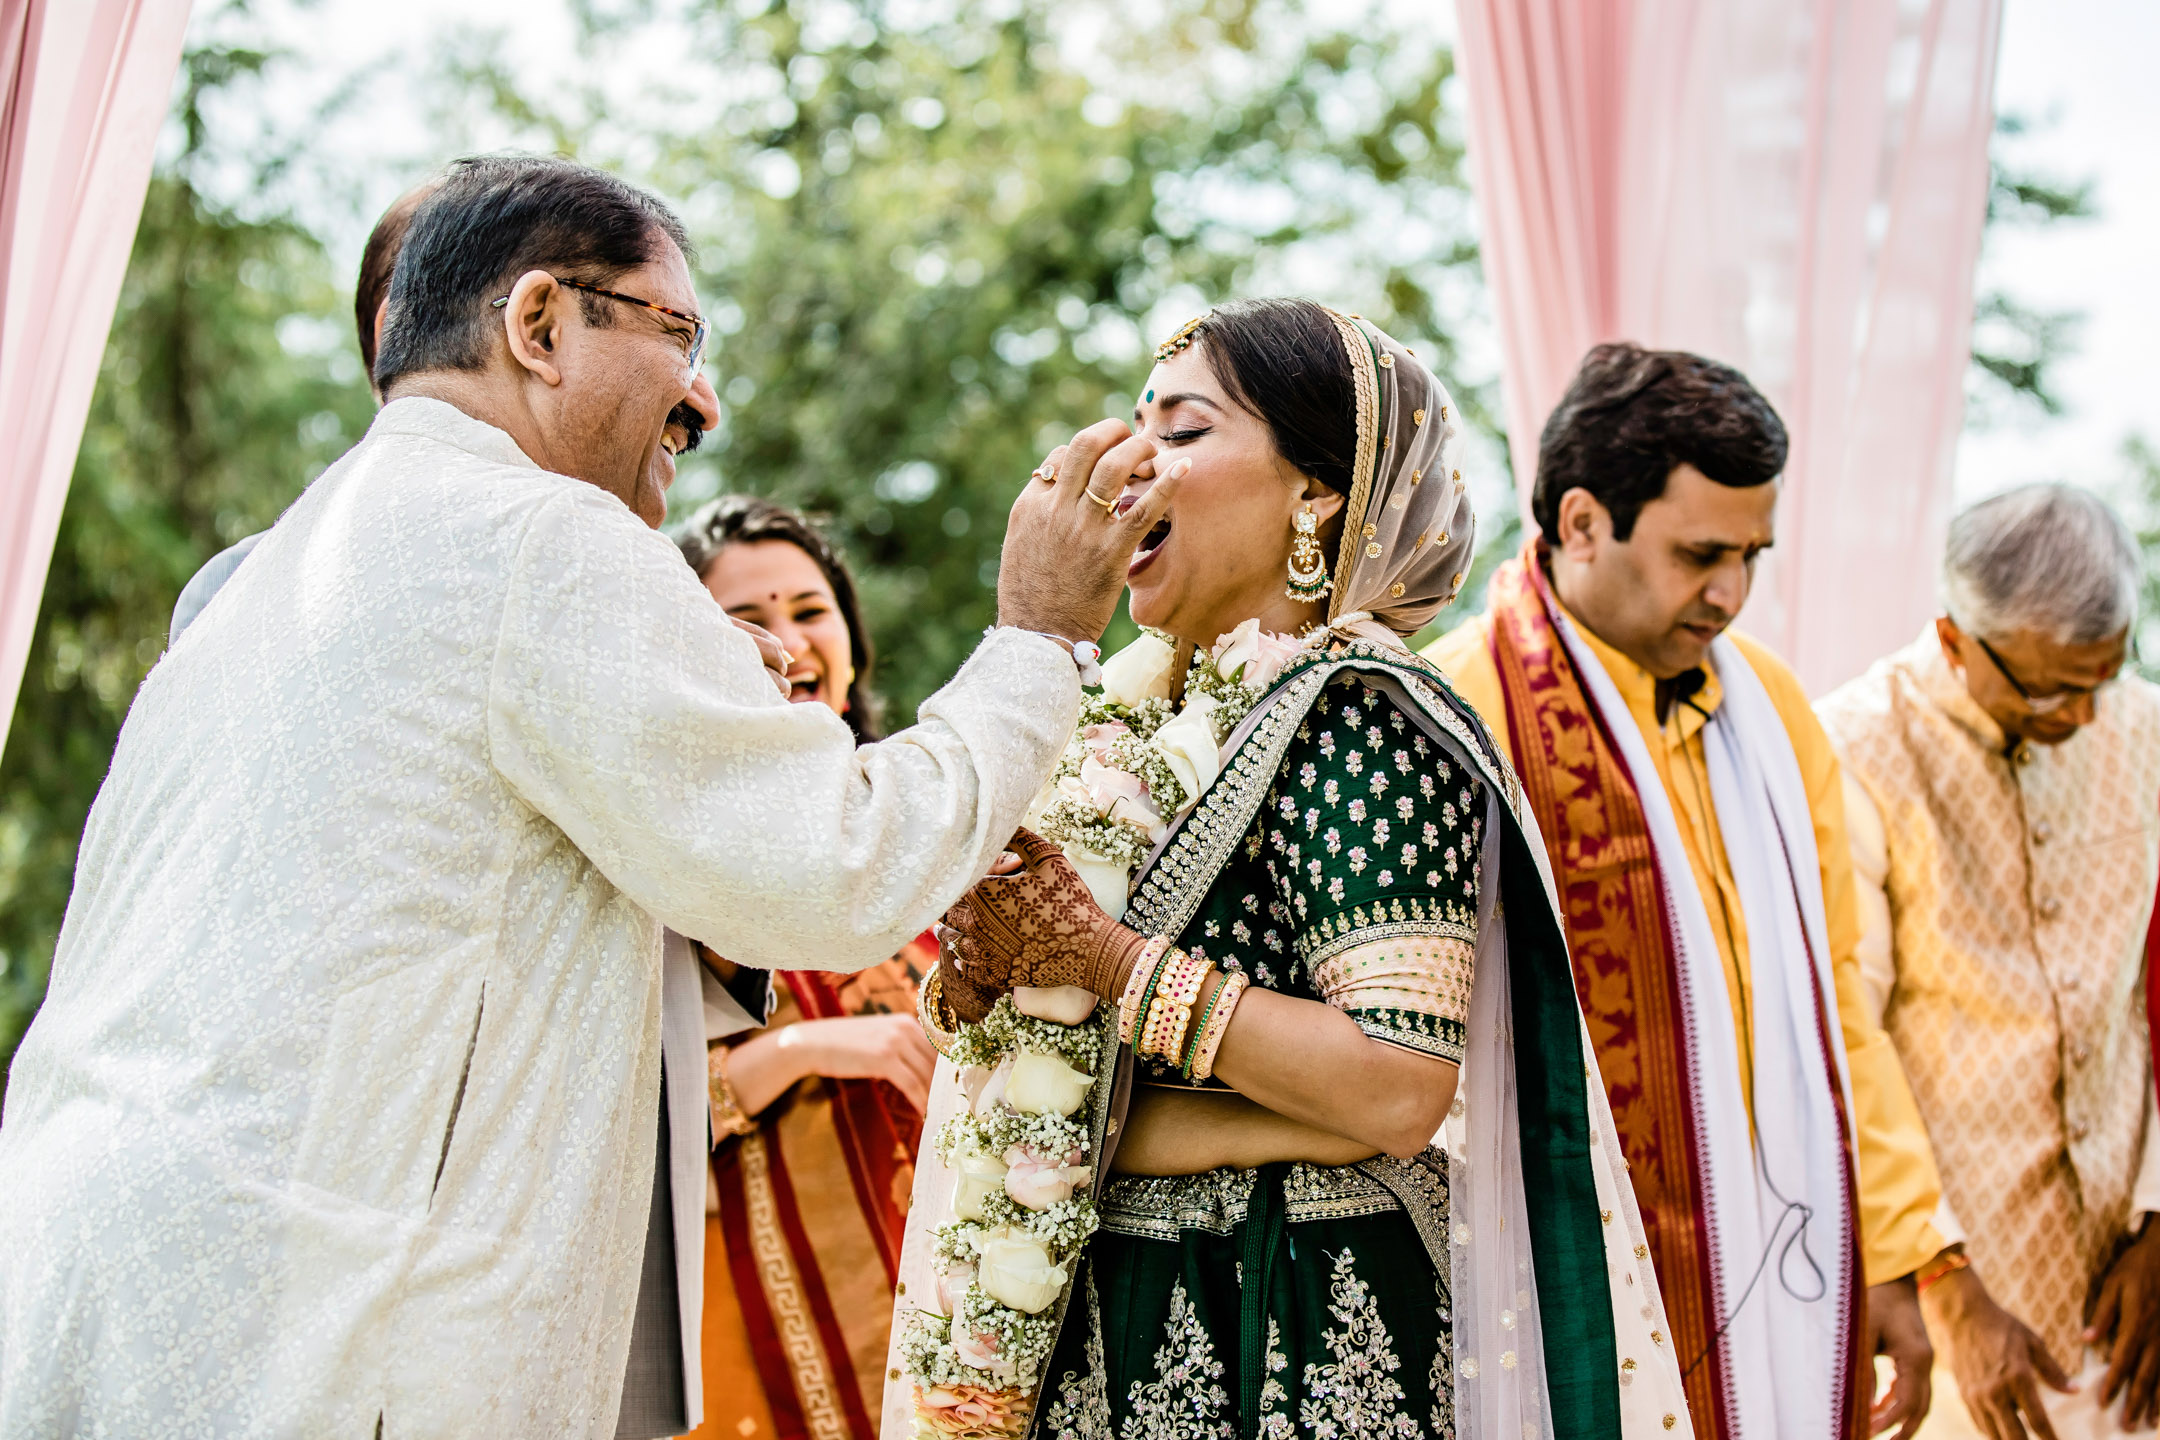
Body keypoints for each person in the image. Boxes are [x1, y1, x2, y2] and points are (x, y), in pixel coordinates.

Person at [0, 153, 1186, 1437]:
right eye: (679, 334)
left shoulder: (282, 568)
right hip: (312, 1340)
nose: (705, 400)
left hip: (96, 1284)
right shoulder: (540, 539)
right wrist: (1040, 638)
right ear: (540, 324)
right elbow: (834, 866)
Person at [909, 300, 1692, 1440]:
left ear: (1317, 491)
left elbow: (1395, 1088)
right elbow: (1043, 1067)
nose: (1129, 461)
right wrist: (990, 978)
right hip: (1113, 1307)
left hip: (1288, 1318)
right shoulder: (1123, 722)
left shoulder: (1361, 719)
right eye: (1138, 424)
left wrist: (1113, 967)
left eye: (1182, 431)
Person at [160, 175, 754, 1439]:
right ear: (437, 323)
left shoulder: (609, 566)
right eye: (670, 331)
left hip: (611, 1159)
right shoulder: (256, 586)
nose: (692, 389)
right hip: (396, 1212)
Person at [1422, 342, 1950, 1438]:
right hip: (1554, 1275)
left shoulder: (1773, 710)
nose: (1730, 594)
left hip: (1781, 1263)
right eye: (1701, 553)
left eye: (1752, 555)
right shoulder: (1458, 709)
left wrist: (1894, 1254)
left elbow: (1837, 1004)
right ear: (1580, 523)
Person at [1817, 484, 2160, 1440]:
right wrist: (1946, 1285)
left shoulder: (2144, 729)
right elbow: (1846, 1036)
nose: (2086, 718)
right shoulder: (1851, 749)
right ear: (1957, 639)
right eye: (2051, 689)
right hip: (1951, 1320)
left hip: (2135, 1304)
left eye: (2108, 675)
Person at [676, 495, 939, 1440]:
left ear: (853, 638)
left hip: (968, 1274)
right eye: (747, 621)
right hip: (765, 1323)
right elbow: (626, 1110)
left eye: (809, 609)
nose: (788, 642)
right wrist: (812, 1048)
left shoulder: (927, 819)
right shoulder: (666, 852)